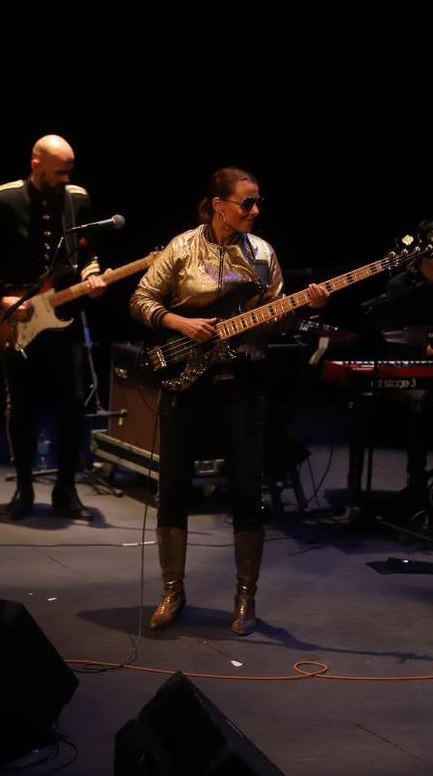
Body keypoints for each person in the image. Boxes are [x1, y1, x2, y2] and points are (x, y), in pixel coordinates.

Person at [129, 167, 329, 635]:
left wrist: (306, 305)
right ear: (219, 205)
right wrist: (180, 324)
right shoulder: (181, 247)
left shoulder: (263, 255)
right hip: (185, 381)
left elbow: (275, 322)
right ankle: (172, 590)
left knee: (245, 491)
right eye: (247, 203)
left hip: (242, 382)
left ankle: (245, 597)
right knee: (173, 487)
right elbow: (140, 300)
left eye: (258, 203)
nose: (255, 211)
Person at [0, 134, 108, 520]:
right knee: (21, 404)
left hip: (64, 316)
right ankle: (24, 490)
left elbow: (87, 254)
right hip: (18, 318)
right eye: (58, 171)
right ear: (35, 165)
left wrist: (92, 277)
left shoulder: (77, 198)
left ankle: (65, 490)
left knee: (73, 403)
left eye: (69, 171)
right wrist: (2, 302)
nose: (65, 178)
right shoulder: (4, 198)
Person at [363, 217, 433, 513]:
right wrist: (429, 351)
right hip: (406, 373)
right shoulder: (399, 286)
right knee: (420, 405)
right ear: (424, 251)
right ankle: (416, 486)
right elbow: (390, 335)